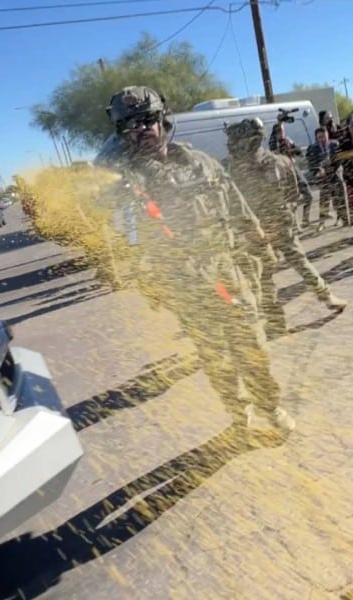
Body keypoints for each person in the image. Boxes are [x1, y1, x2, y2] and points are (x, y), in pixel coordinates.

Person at [104, 85, 295, 433]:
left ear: (162, 120)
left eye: (147, 120)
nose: (142, 129)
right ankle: (239, 415)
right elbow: (126, 238)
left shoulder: (199, 162)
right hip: (185, 282)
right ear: (122, 134)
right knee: (216, 354)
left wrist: (260, 240)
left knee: (252, 342)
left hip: (226, 267)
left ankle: (269, 406)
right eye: (131, 125)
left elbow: (234, 201)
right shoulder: (127, 183)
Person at [226, 117, 347, 338]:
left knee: (264, 276)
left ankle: (276, 322)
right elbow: (295, 192)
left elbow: (234, 205)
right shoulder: (280, 161)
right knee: (300, 262)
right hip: (281, 222)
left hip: (258, 228)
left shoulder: (236, 171)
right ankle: (327, 296)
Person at [269, 120, 315, 229]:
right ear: (276, 133)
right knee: (291, 199)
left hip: (294, 169)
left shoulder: (288, 140)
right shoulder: (274, 144)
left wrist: (293, 149)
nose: (282, 133)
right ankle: (294, 225)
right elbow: (275, 156)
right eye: (280, 131)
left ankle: (305, 220)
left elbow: (298, 152)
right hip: (286, 173)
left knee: (308, 196)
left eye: (283, 131)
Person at [306, 126, 350, 227]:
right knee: (324, 200)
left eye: (324, 136)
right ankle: (321, 223)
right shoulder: (312, 148)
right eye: (320, 137)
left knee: (340, 198)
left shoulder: (335, 144)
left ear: (327, 135)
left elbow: (341, 159)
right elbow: (311, 164)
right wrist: (318, 170)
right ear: (316, 138)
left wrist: (333, 164)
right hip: (323, 177)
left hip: (335, 174)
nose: (322, 139)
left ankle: (344, 219)